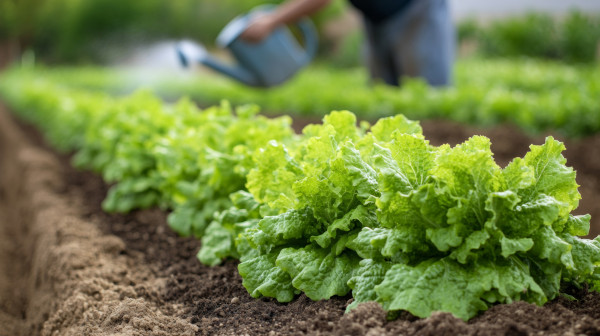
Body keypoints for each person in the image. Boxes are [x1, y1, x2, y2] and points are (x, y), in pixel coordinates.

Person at [240, 0, 455, 87]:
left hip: (415, 8)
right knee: (384, 94)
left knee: (426, 89)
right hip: (376, 17)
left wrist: (273, 20)